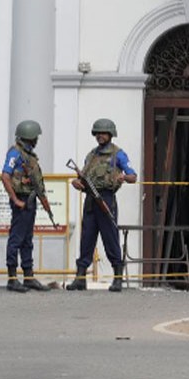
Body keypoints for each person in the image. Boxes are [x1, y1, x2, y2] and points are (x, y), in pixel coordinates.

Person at [66, 118, 137, 292]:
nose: (100, 136)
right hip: (90, 200)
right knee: (87, 238)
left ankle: (117, 277)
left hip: (106, 199)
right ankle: (80, 278)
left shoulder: (118, 155)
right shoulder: (91, 156)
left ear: (110, 134)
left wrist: (123, 177)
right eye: (98, 133)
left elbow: (133, 176)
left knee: (110, 238)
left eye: (103, 133)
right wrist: (77, 183)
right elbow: (84, 178)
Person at [1, 120, 50, 293]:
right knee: (16, 238)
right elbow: (5, 176)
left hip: (30, 200)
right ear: (30, 137)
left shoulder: (29, 156)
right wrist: (15, 199)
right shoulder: (16, 153)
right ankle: (12, 278)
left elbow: (37, 183)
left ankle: (28, 276)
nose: (37, 139)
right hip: (21, 200)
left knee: (27, 240)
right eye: (35, 137)